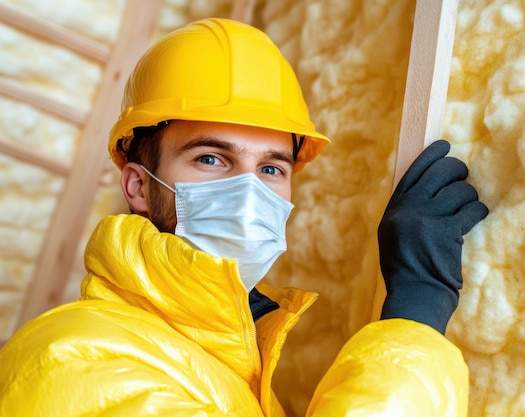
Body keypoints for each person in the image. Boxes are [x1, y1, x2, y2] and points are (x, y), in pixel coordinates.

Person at [0, 18, 488, 417]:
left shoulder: (230, 369)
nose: (250, 193)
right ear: (139, 186)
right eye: (211, 159)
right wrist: (417, 311)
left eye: (272, 168)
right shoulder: (76, 359)